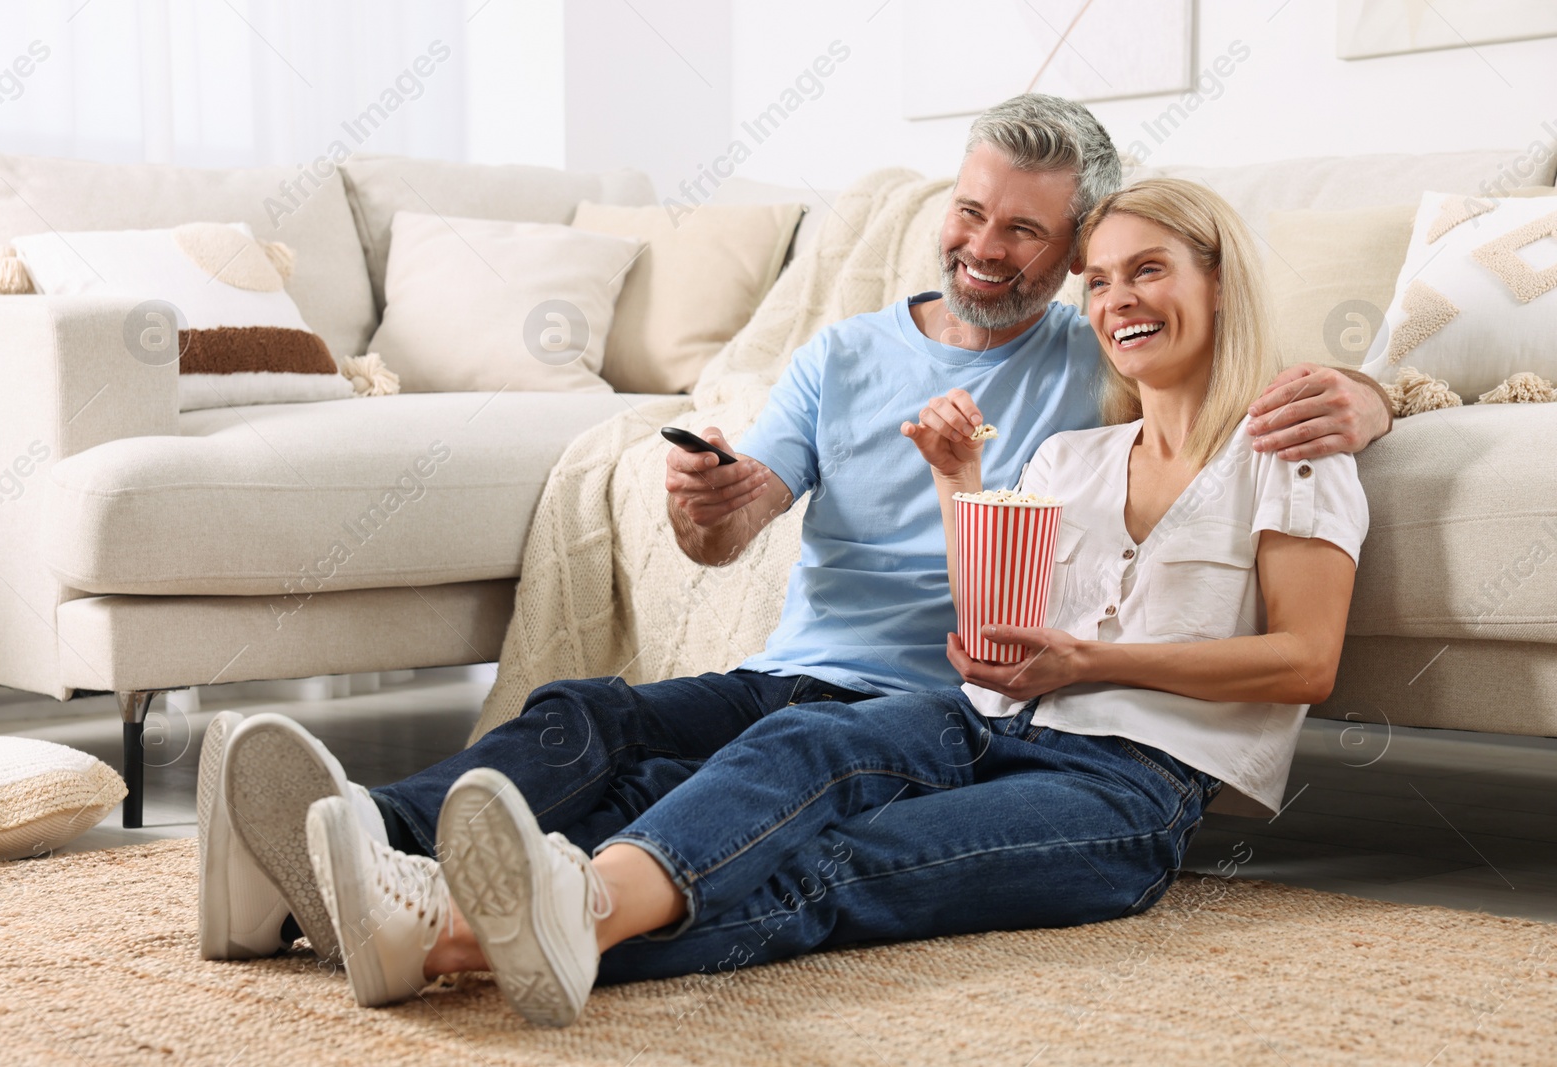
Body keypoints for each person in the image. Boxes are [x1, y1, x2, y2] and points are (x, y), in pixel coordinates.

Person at [202, 95, 1388, 1008]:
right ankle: (345, 848)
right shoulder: (1018, 430)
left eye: (1033, 232)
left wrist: (1370, 392)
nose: (988, 245)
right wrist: (722, 496)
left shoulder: (1139, 378)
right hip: (948, 709)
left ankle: (462, 931)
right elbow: (765, 545)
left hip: (1073, 755)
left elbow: (1293, 609)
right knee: (620, 728)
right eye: (972, 211)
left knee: (813, 849)